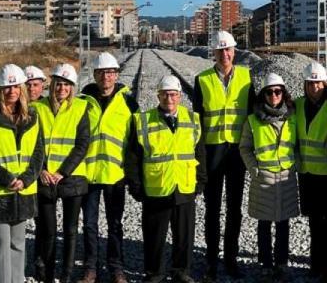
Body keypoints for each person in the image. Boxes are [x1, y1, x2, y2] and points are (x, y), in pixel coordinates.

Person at [187, 31, 254, 280]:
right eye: (220, 51)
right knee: (212, 209)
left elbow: (254, 113)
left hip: (236, 153)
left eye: (228, 50)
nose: (224, 55)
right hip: (212, 152)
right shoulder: (202, 80)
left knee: (235, 208)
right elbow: (195, 121)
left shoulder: (247, 78)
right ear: (213, 53)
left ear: (234, 51)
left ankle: (231, 258)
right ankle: (212, 260)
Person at [126, 75, 206, 283]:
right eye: (164, 94)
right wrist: (135, 185)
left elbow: (200, 153)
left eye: (173, 94)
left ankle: (181, 271)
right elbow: (133, 156)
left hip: (184, 185)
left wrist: (200, 182)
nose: (168, 99)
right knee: (154, 234)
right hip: (156, 187)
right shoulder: (144, 120)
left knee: (184, 234)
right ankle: (155, 273)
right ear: (158, 96)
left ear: (180, 96)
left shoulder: (193, 120)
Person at [0, 64, 46, 283]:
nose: (12, 91)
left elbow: (38, 151)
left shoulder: (32, 116)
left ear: (21, 89)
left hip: (22, 192)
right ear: (0, 90)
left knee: (18, 243)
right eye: (7, 87)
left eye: (15, 87)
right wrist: (7, 178)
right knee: (0, 245)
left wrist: (25, 179)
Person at [79, 52, 137, 283]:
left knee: (115, 224)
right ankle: (90, 267)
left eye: (111, 72)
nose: (106, 77)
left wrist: (132, 174)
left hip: (115, 174)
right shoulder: (82, 103)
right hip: (89, 174)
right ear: (94, 75)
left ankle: (116, 267)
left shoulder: (129, 103)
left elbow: (134, 142)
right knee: (89, 224)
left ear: (117, 75)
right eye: (102, 72)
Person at [33, 64, 92, 283]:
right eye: (59, 83)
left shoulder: (80, 108)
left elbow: (82, 144)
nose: (62, 88)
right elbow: (33, 143)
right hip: (46, 177)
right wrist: (42, 170)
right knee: (47, 230)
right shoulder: (37, 108)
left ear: (72, 88)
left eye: (67, 84)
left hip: (71, 177)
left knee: (70, 229)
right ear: (52, 84)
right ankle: (47, 274)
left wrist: (63, 172)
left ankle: (66, 275)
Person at [239, 73, 300, 281]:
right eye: (269, 92)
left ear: (283, 93)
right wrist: (254, 169)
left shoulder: (292, 118)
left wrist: (296, 164)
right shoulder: (253, 120)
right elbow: (245, 147)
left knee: (284, 224)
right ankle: (265, 264)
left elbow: (299, 144)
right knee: (264, 224)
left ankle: (281, 263)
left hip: (286, 178)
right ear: (263, 95)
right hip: (263, 178)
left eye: (278, 91)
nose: (274, 95)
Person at [295, 61, 327, 282]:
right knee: (314, 221)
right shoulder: (297, 106)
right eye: (310, 83)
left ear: (325, 83)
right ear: (305, 85)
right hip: (307, 174)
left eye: (318, 83)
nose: (314, 87)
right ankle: (316, 264)